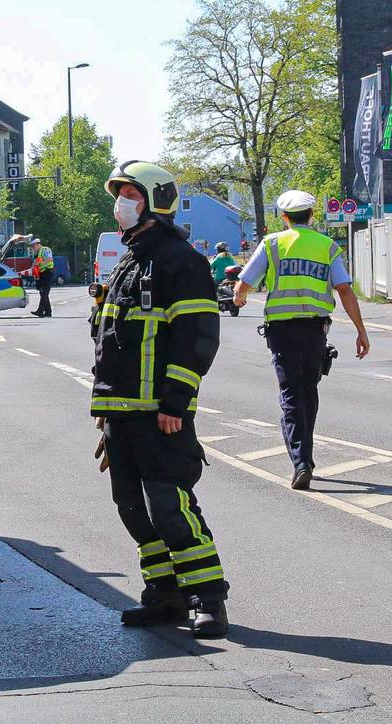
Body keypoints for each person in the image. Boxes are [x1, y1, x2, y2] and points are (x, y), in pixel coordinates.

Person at [91, 161, 229, 638]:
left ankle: (207, 597)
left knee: (168, 503)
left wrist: (177, 401)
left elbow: (196, 336)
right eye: (120, 193)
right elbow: (112, 339)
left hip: (158, 412)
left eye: (130, 193)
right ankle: (164, 593)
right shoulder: (129, 259)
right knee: (131, 504)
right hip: (120, 410)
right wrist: (104, 410)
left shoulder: (180, 260)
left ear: (153, 200)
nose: (122, 202)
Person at [233, 190, 370, 490]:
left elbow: (244, 283)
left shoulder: (272, 244)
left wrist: (239, 297)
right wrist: (361, 330)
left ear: (283, 217)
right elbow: (344, 289)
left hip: (282, 332)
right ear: (311, 215)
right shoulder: (327, 246)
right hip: (316, 331)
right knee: (309, 390)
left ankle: (301, 461)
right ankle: (305, 455)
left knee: (291, 395)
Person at [29, 237, 55, 317]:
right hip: (40, 274)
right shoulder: (35, 253)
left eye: (33, 246)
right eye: (32, 246)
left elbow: (50, 260)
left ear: (38, 244)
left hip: (47, 272)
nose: (32, 248)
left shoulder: (45, 250)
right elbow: (34, 263)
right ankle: (48, 312)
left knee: (44, 293)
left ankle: (40, 311)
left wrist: (40, 265)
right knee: (42, 293)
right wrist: (32, 269)